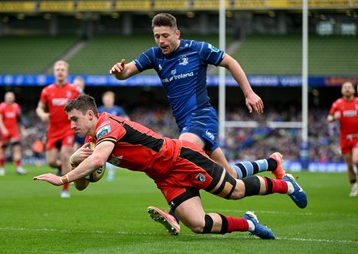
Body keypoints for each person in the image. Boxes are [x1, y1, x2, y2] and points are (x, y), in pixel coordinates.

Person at [33, 94, 308, 239]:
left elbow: (99, 161)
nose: (72, 125)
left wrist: (62, 178)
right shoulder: (92, 140)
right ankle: (250, 225)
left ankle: (286, 184)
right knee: (198, 225)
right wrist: (72, 162)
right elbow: (87, 182)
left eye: (74, 119)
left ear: (90, 115)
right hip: (164, 177)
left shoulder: (107, 125)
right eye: (69, 121)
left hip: (181, 159)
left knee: (234, 190)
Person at [110, 12, 285, 232]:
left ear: (177, 33)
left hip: (202, 118)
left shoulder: (198, 49)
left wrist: (249, 93)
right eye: (157, 36)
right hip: (185, 124)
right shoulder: (154, 55)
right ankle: (271, 163)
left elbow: (230, 61)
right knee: (229, 175)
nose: (161, 41)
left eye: (165, 35)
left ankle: (173, 213)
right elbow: (127, 72)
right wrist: (119, 72)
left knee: (180, 153)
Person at [36, 60, 80, 198]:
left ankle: (65, 188)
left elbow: (82, 106)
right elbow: (39, 107)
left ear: (66, 72)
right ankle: (61, 168)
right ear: (54, 72)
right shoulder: (47, 91)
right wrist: (42, 114)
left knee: (65, 155)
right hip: (53, 129)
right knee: (51, 162)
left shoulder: (74, 90)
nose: (60, 71)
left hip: (68, 128)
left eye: (62, 69)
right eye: (57, 69)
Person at [327, 81, 358, 197]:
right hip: (344, 138)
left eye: (349, 87)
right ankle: (354, 186)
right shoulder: (337, 104)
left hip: (357, 137)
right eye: (345, 87)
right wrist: (333, 118)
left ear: (354, 90)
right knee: (349, 164)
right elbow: (329, 117)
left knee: (356, 159)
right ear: (342, 90)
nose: (347, 89)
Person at [98, 91, 130, 182]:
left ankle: (110, 171)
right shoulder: (100, 110)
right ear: (103, 100)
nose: (108, 101)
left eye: (109, 99)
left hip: (116, 136)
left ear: (113, 100)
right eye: (106, 99)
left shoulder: (118, 110)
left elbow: (126, 119)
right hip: (103, 136)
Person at [0, 91, 27, 176]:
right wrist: (3, 129)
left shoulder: (16, 107)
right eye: (8, 97)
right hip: (4, 131)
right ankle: (1, 168)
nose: (10, 98)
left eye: (11, 97)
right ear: (5, 98)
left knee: (17, 148)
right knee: (3, 150)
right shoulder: (1, 107)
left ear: (13, 98)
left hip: (14, 131)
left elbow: (19, 120)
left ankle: (18, 167)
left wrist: (22, 130)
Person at [73, 76, 87, 150]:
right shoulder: (68, 96)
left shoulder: (86, 99)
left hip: (82, 127)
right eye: (76, 86)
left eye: (79, 86)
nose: (77, 88)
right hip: (69, 127)